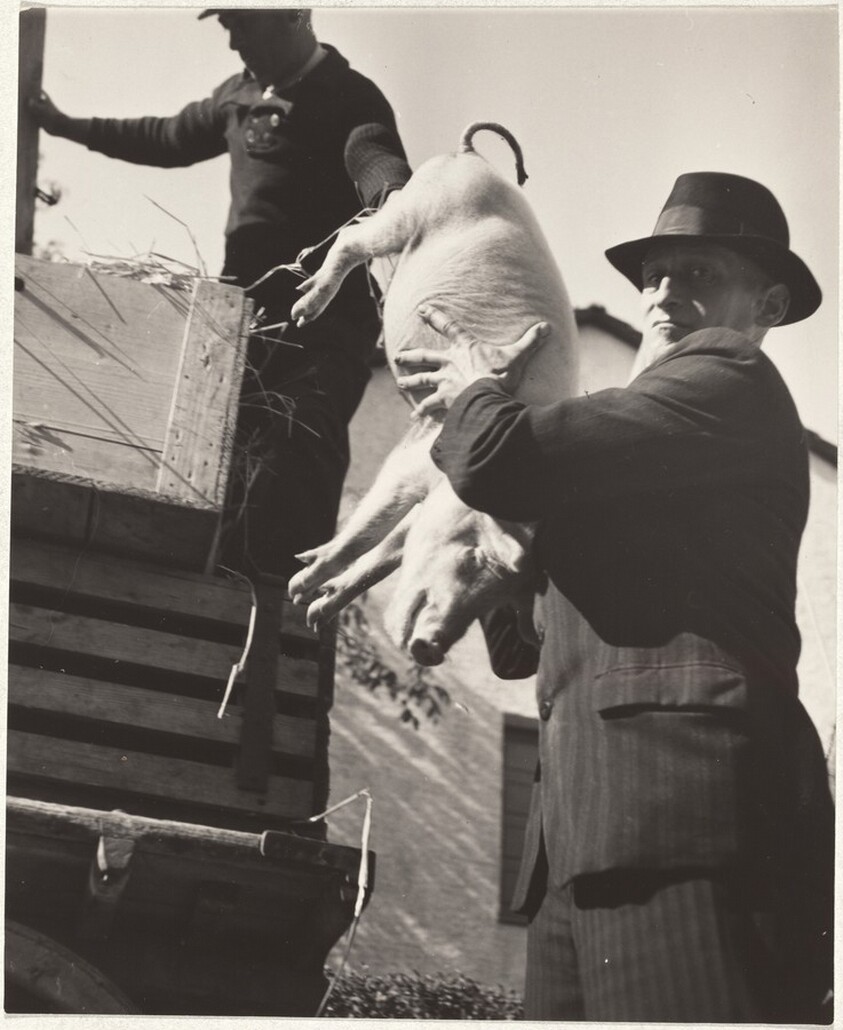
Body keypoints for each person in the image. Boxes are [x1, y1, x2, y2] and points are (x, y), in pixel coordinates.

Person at [393, 172, 834, 1023]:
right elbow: (526, 648)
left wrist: (477, 386)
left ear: (767, 304)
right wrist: (494, 565)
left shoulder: (726, 379)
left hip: (679, 820)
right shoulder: (647, 440)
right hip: (582, 833)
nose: (663, 297)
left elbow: (498, 459)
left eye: (698, 275)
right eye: (654, 277)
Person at [32, 8, 412, 580]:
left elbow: (372, 154)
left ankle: (284, 613)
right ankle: (218, 610)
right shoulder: (239, 95)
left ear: (293, 17)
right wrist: (66, 125)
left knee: (297, 447)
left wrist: (396, 198)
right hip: (242, 318)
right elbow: (166, 137)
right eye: (226, 26)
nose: (234, 42)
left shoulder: (350, 94)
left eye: (243, 25)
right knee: (223, 463)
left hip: (324, 323)